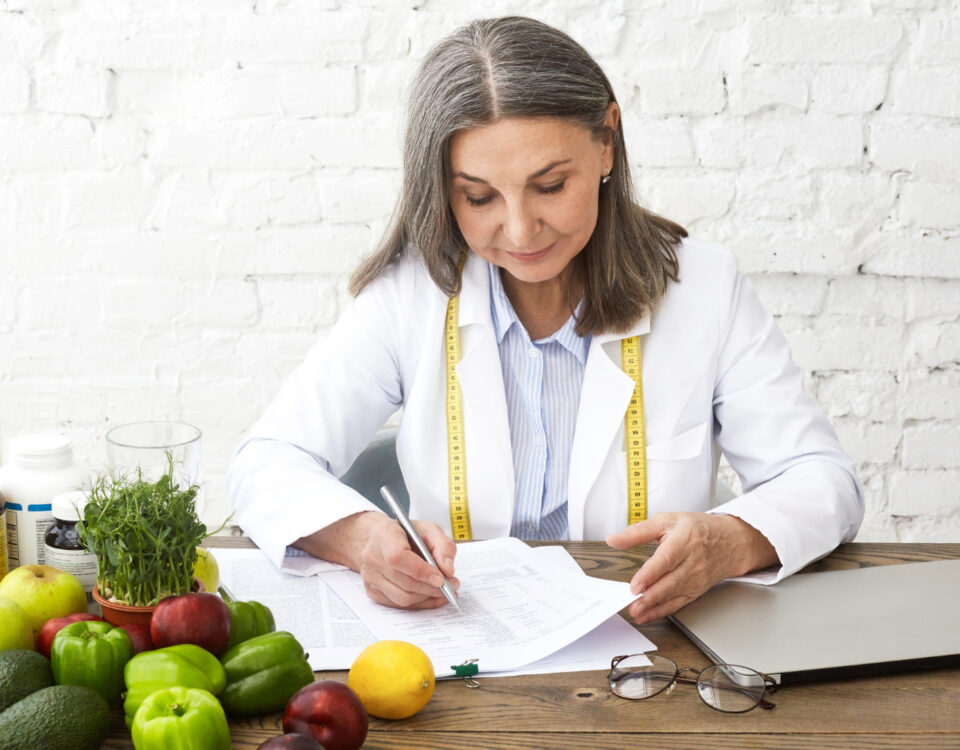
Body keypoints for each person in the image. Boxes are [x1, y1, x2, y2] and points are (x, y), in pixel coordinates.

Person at [227, 16, 863, 624]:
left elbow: (823, 481)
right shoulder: (409, 296)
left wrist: (731, 538)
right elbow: (267, 461)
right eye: (478, 197)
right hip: (460, 654)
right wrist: (360, 536)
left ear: (607, 140)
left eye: (551, 185)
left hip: (650, 653)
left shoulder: (704, 288)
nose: (520, 228)